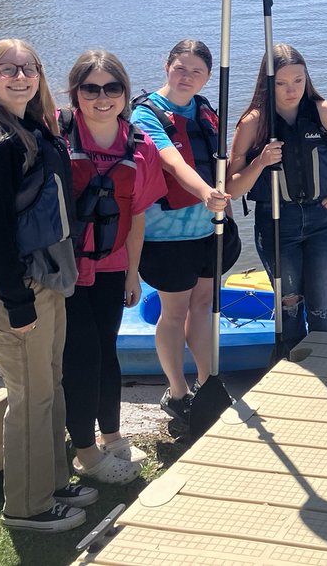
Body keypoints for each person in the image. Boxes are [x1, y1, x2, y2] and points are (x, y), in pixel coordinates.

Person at [0, 39, 95, 532]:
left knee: (49, 386)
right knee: (29, 398)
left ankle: (51, 482)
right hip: (15, 287)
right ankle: (27, 507)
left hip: (45, 278)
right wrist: (16, 301)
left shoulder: (31, 127)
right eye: (7, 69)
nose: (20, 77)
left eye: (29, 68)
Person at [59, 51, 166, 484]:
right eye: (91, 89)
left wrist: (132, 272)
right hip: (62, 269)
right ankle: (85, 453)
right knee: (81, 356)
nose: (102, 98)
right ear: (75, 93)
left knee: (106, 351)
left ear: (125, 92)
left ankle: (112, 436)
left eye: (112, 88)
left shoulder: (140, 147)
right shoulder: (57, 133)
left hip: (111, 266)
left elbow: (137, 217)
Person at [227, 45, 327, 351]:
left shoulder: (325, 112)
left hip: (323, 220)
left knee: (322, 305)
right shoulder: (253, 123)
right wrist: (260, 162)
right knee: (289, 305)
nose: (291, 90)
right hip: (277, 223)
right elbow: (232, 189)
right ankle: (289, 361)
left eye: (298, 81)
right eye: (281, 83)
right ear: (267, 83)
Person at [130, 40, 230, 423]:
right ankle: (177, 392)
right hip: (166, 237)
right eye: (180, 68)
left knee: (202, 307)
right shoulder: (146, 113)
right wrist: (206, 193)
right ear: (166, 66)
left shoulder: (205, 110)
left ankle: (207, 382)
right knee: (173, 314)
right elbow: (172, 161)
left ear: (207, 77)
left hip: (208, 231)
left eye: (196, 72)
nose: (187, 77)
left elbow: (220, 162)